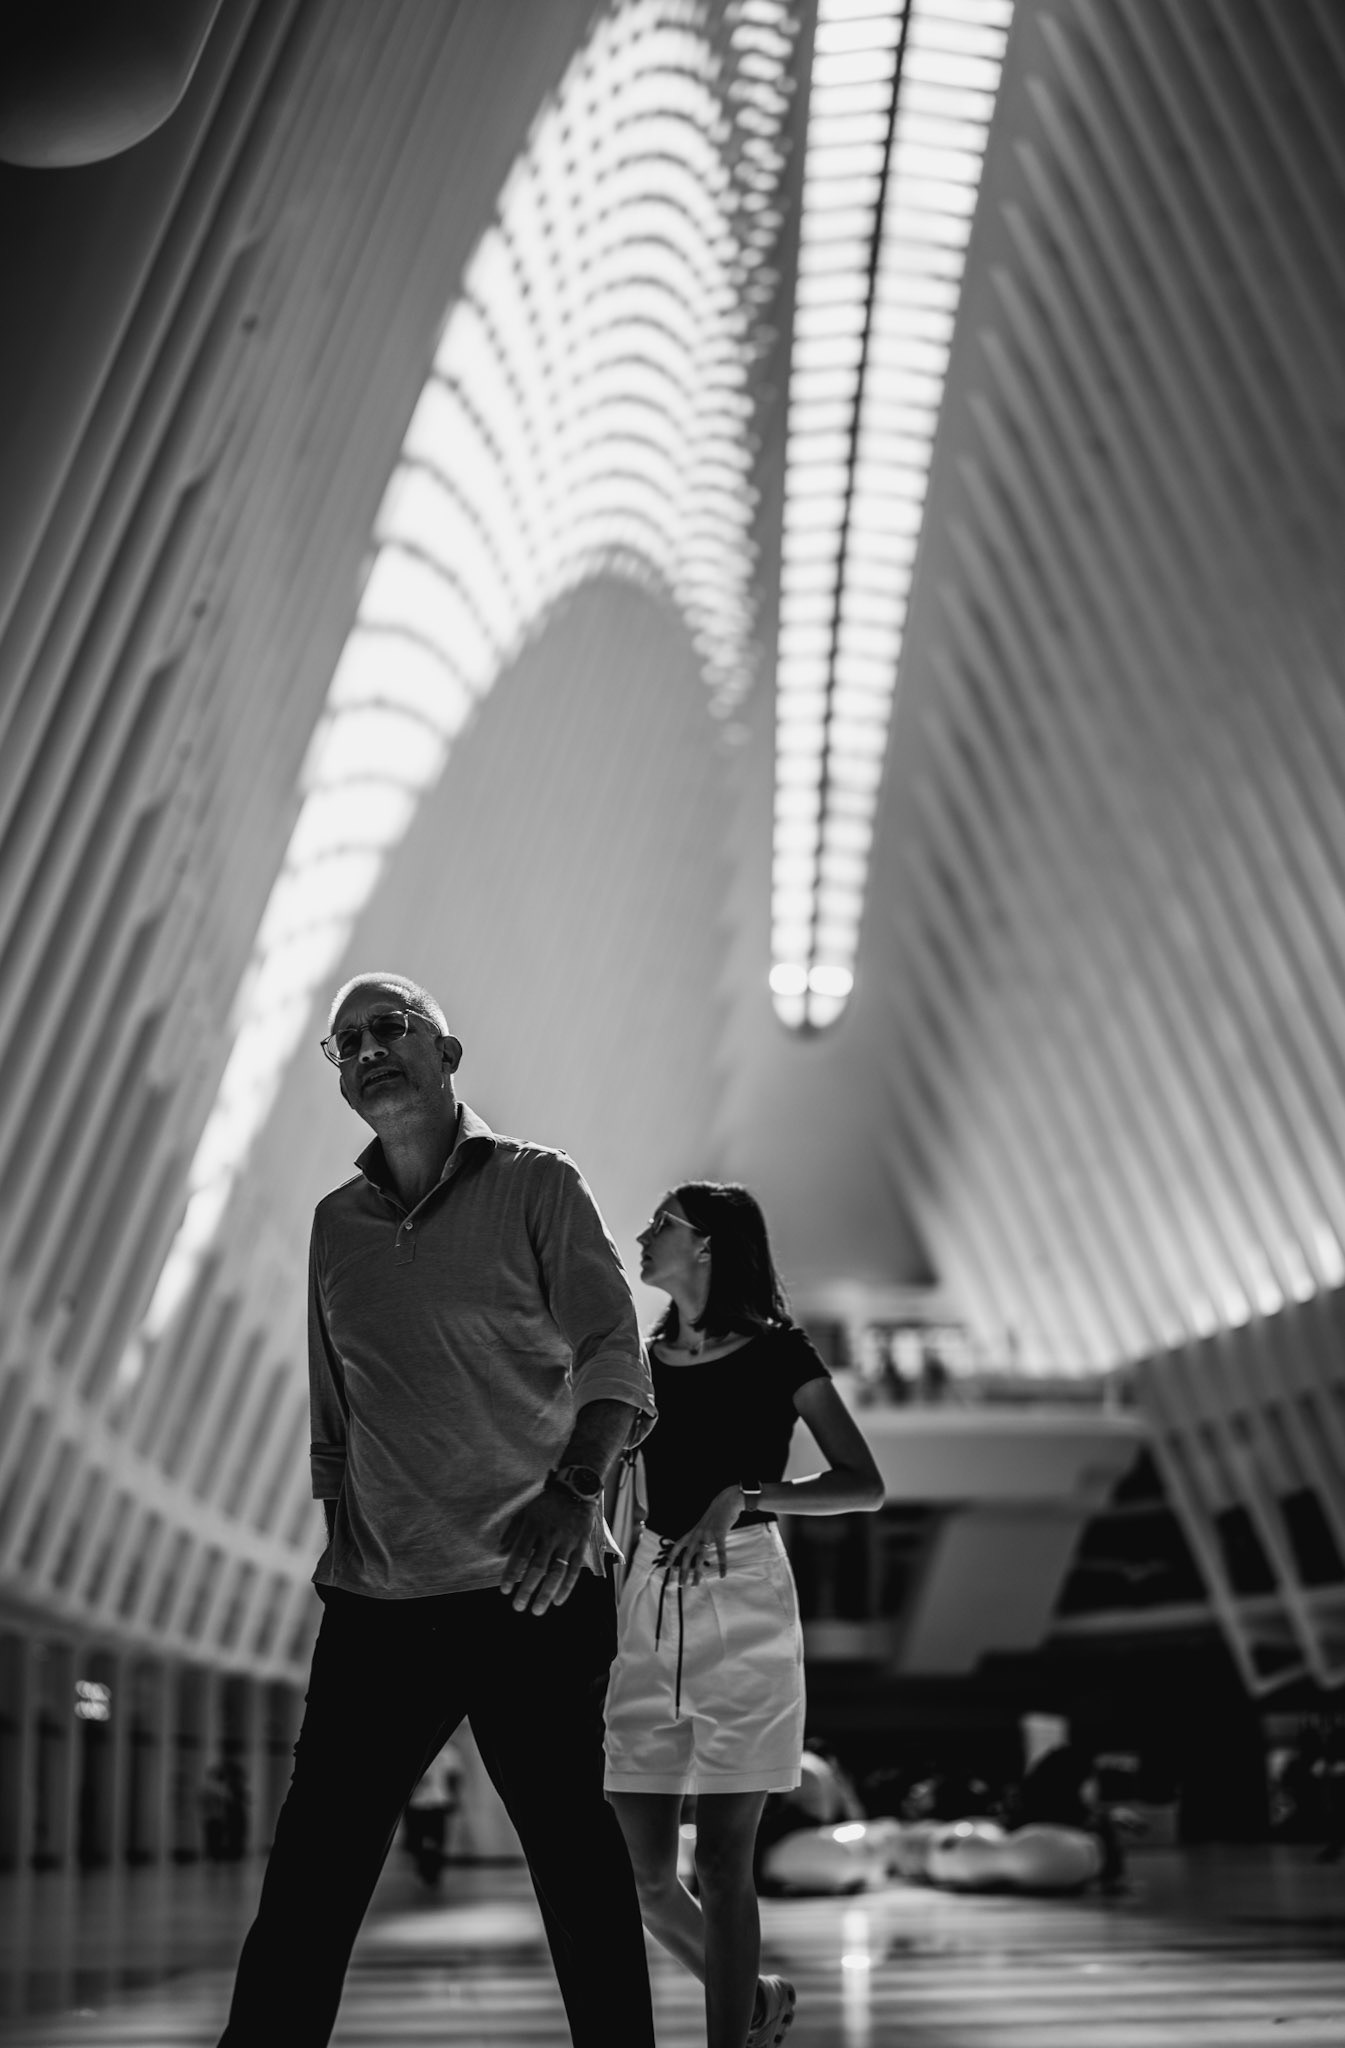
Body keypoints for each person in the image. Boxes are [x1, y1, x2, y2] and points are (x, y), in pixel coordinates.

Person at [217, 972, 657, 2048]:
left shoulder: (539, 1186)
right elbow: (336, 1405)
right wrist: (341, 1532)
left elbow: (615, 1355)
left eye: (389, 1028)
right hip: (378, 1603)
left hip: (532, 1588)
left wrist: (575, 1490)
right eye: (345, 1041)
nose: (367, 1049)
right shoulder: (337, 1224)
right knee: (310, 1882)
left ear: (448, 1055)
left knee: (574, 1867)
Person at [603, 1182, 884, 2048]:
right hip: (646, 1596)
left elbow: (861, 1483)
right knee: (642, 1875)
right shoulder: (639, 1358)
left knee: (725, 1863)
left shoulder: (777, 1353)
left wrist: (746, 1496)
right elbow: (613, 1482)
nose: (645, 1237)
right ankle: (756, 2001)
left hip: (746, 1595)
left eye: (664, 1226)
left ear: (709, 1246)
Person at [403, 1736, 463, 1886]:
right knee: (414, 1840)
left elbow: (454, 1775)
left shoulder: (449, 1750)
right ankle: (424, 1864)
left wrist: (454, 1797)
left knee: (437, 1839)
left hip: (437, 1801)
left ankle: (432, 1870)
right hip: (416, 1802)